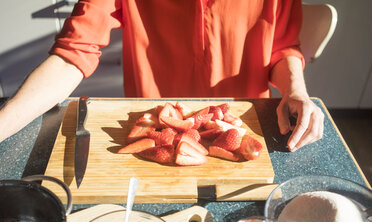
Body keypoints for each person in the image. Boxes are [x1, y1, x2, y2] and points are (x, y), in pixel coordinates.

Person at [0, 0, 324, 152]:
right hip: (155, 132)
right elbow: (74, 54)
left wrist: (296, 91)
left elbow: (282, 48)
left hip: (242, 126)